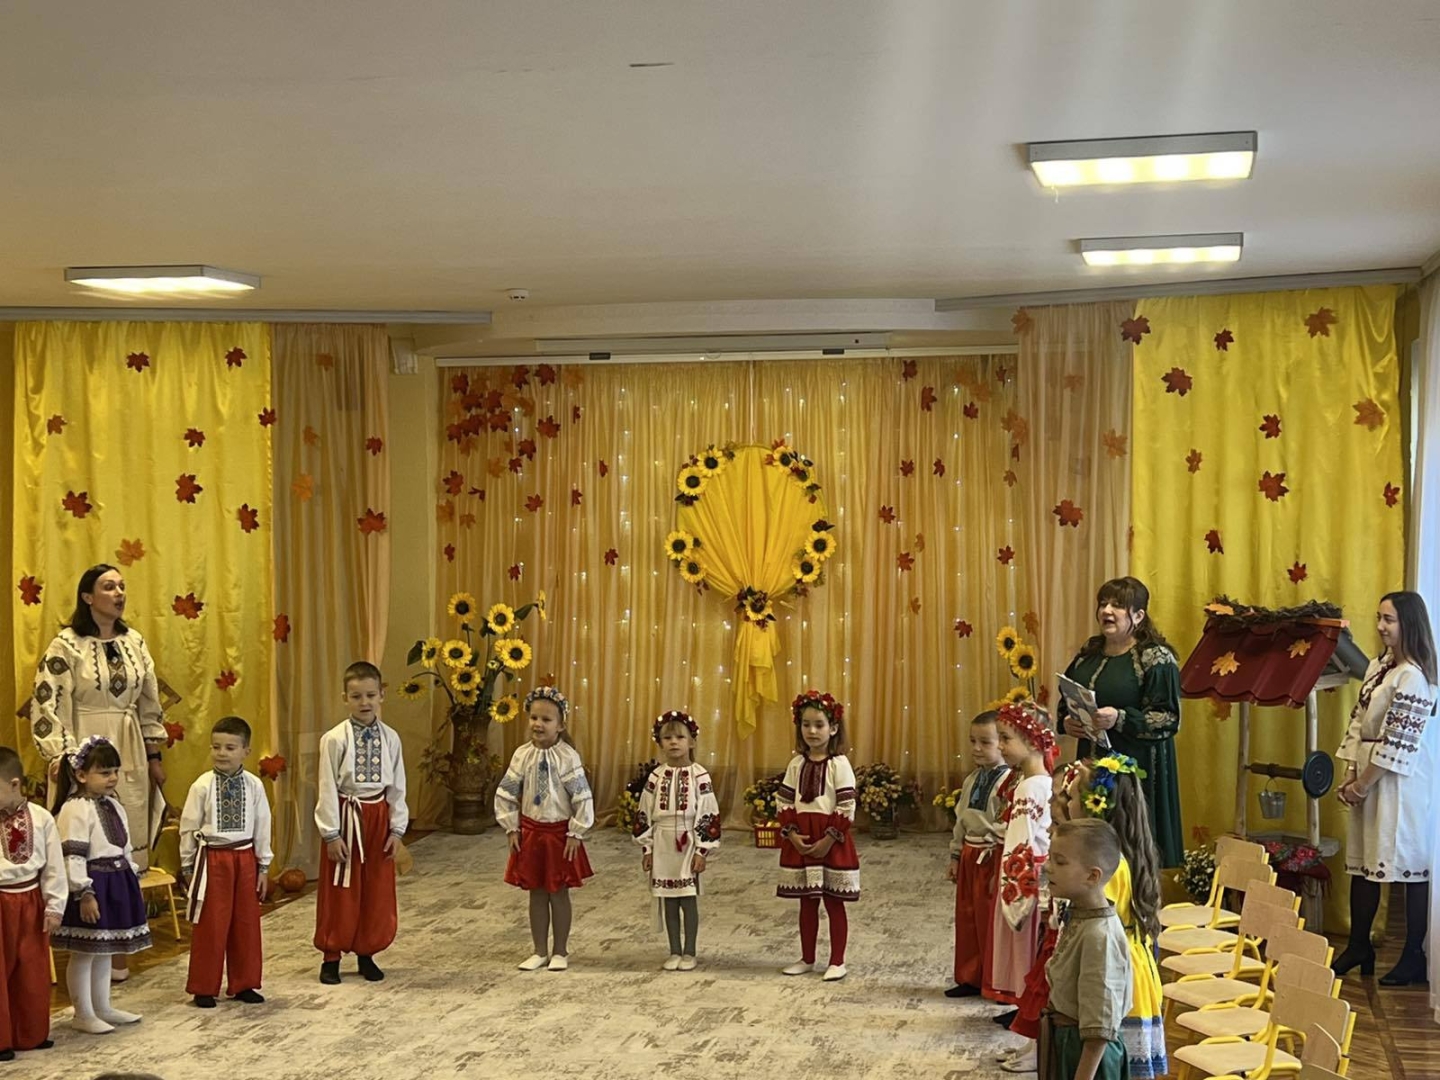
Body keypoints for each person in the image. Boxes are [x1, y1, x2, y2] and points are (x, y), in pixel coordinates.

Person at [31, 565, 168, 886]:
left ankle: (125, 892)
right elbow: (47, 701)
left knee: (129, 812)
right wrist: (60, 755)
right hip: (84, 744)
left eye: (122, 586)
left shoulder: (134, 642)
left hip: (129, 744)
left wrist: (154, 757)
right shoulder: (66, 645)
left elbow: (149, 701)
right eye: (109, 587)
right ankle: (84, 892)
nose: (119, 593)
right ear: (87, 597)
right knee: (85, 820)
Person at [1334, 590, 1438, 987]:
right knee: (1364, 861)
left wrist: (1363, 785)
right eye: (1379, 617)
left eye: (1388, 619)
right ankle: (1359, 944)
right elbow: (1358, 719)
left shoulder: (1413, 675)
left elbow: (1399, 742)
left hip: (1398, 783)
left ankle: (1414, 955)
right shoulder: (1380, 667)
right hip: (1368, 773)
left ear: (1408, 624)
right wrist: (1350, 772)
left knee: (1406, 863)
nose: (1380, 626)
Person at [1051, 756, 1166, 1079]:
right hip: (1127, 964)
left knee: (1109, 1065)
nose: (1066, 803)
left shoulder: (1105, 876)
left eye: (1073, 796)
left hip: (1112, 971)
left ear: (1095, 805)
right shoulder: (1118, 856)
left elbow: (1099, 933)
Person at [1057, 577, 1184, 868]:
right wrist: (1066, 722)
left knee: (1132, 843)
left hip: (1138, 772)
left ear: (1138, 616)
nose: (1107, 611)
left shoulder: (1155, 658)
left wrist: (1120, 718)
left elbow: (1168, 719)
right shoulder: (1088, 655)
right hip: (1091, 764)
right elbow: (1067, 697)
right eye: (1103, 604)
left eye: (1117, 605)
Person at [314, 661, 408, 985]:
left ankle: (367, 952)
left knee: (375, 888)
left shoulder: (391, 738)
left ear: (382, 694)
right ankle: (331, 956)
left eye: (370, 695)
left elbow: (397, 786)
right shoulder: (334, 739)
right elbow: (327, 785)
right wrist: (331, 833)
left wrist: (397, 829)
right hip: (346, 817)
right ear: (345, 698)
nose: (364, 702)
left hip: (378, 816)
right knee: (341, 887)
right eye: (356, 696)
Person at [50, 736, 152, 1033]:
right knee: (85, 952)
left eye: (115, 771)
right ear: (81, 775)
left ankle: (103, 1006)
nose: (113, 778)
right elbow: (72, 855)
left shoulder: (113, 805)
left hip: (116, 882)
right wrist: (84, 892)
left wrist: (131, 878)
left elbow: (124, 847)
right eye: (105, 772)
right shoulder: (75, 809)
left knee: (105, 948)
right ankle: (83, 1013)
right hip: (93, 886)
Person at [495, 685, 595, 971]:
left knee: (558, 892)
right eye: (534, 718)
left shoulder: (567, 757)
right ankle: (539, 950)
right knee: (536, 892)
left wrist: (576, 831)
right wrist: (511, 827)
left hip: (558, 836)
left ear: (560, 725)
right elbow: (506, 792)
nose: (538, 724)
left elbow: (582, 796)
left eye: (546, 719)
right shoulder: (521, 755)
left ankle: (560, 950)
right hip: (531, 833)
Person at [179, 716, 273, 1008]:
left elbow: (263, 825)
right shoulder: (202, 786)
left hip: (245, 858)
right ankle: (204, 987)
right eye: (216, 746)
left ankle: (244, 983)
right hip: (213, 860)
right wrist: (188, 865)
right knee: (211, 923)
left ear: (246, 751)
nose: (222, 753)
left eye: (230, 748)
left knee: (246, 922)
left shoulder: (254, 785)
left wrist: (263, 865)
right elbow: (188, 826)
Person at [776, 689, 860, 982]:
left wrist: (828, 839)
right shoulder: (796, 764)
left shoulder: (839, 764)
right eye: (806, 724)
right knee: (806, 902)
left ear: (833, 728)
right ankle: (807, 958)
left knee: (834, 901)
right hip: (803, 837)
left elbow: (846, 804)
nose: (812, 731)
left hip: (830, 840)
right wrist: (792, 835)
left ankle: (837, 960)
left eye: (819, 725)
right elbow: (784, 800)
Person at [1044, 818, 1133, 1080]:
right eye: (1050, 857)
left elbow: (1099, 1025)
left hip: (1087, 1056)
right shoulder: (1080, 914)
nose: (1047, 867)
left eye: (1060, 862)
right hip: (1068, 1042)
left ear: (1092, 876)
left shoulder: (1099, 936)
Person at [632, 711, 721, 970]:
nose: (674, 742)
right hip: (662, 842)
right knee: (668, 898)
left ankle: (690, 951)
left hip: (688, 842)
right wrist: (647, 849)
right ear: (659, 742)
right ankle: (674, 950)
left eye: (680, 737)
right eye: (667, 738)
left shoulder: (699, 775)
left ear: (691, 741)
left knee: (687, 897)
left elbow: (708, 811)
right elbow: (644, 811)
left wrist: (702, 850)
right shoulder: (655, 777)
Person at [984, 701, 1055, 1008]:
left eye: (1006, 738)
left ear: (1033, 742)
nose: (1000, 745)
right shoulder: (1041, 782)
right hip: (1036, 873)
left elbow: (1020, 843)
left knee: (1023, 945)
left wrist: (1008, 882)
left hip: (1025, 877)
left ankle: (1025, 1004)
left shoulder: (1028, 788)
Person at [0, 745, 65, 1060]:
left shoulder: (41, 818)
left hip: (30, 901)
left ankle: (31, 1033)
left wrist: (54, 905)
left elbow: (54, 865)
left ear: (14, 784)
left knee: (31, 968)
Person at [946, 709, 1010, 998]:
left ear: (1003, 743)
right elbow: (961, 820)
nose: (976, 748)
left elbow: (1006, 824)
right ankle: (969, 976)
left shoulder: (1008, 782)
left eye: (985, 742)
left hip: (990, 856)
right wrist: (955, 855)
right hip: (969, 854)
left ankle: (992, 980)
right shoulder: (972, 779)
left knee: (988, 921)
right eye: (973, 741)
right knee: (968, 917)